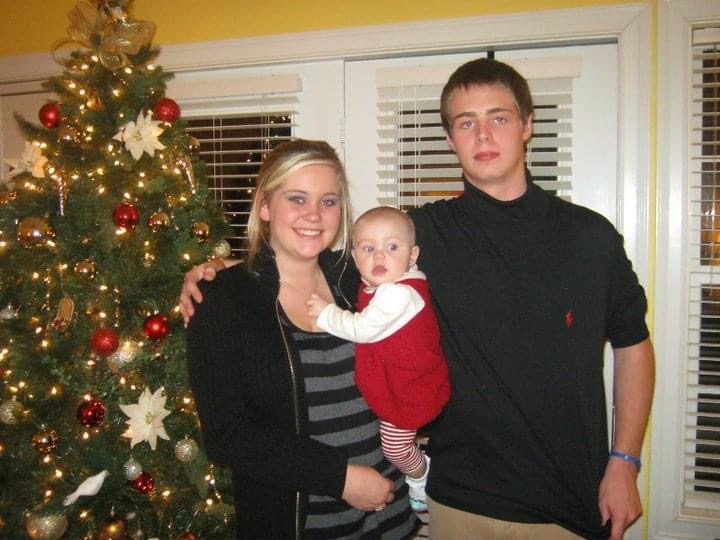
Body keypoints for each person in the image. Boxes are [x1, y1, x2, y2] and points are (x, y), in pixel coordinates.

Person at [181, 58, 655, 540]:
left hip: (562, 505)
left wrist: (625, 460)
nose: (483, 135)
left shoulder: (589, 238)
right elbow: (297, 260)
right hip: (454, 501)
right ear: (450, 138)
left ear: (527, 125)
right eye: (466, 122)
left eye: (499, 117)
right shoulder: (416, 235)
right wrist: (220, 272)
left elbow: (633, 346)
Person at [184, 139, 419, 539]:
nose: (314, 215)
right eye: (297, 198)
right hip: (300, 523)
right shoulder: (223, 299)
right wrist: (340, 478)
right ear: (264, 206)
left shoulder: (363, 280)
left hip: (390, 516)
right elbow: (227, 435)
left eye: (328, 201)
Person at [306, 206, 451, 513]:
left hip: (412, 391)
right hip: (401, 384)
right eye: (368, 249)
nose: (380, 256)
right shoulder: (382, 287)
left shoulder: (399, 294)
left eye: (392, 247)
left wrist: (325, 313)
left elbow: (362, 329)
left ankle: (421, 475)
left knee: (395, 447)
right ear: (355, 257)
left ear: (412, 256)